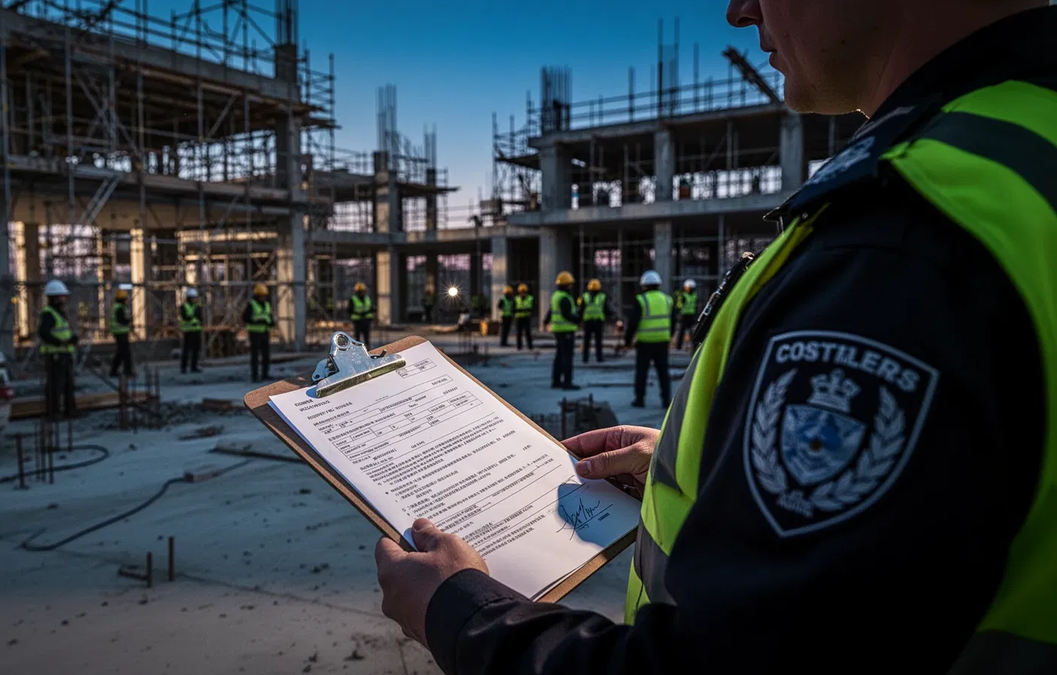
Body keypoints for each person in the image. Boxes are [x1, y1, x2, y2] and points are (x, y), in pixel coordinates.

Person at [374, 3, 1057, 671]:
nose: (739, 10)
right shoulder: (1027, 148)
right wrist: (703, 467)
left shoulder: (904, 245)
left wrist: (463, 612)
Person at [624, 270, 672, 409]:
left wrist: (628, 340)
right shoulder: (667, 299)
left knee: (642, 372)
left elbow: (633, 322)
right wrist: (669, 335)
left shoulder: (641, 300)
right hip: (662, 341)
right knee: (663, 372)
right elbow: (673, 320)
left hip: (645, 342)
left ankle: (640, 400)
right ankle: (666, 401)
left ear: (644, 285)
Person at [38, 279, 77, 420]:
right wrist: (60, 342)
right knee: (55, 385)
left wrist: (71, 339)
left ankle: (69, 411)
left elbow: (62, 331)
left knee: (68, 384)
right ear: (54, 298)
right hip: (55, 355)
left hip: (64, 353)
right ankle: (53, 412)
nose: (64, 299)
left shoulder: (59, 313)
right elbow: (44, 333)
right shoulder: (49, 313)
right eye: (61, 297)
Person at [543, 271, 580, 391]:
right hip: (566, 330)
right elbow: (567, 315)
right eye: (570, 284)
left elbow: (551, 311)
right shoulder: (564, 297)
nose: (571, 286)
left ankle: (556, 381)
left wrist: (545, 321)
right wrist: (578, 320)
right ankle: (567, 382)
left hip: (558, 330)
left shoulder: (555, 296)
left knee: (559, 355)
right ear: (566, 285)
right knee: (567, 357)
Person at [243, 283, 274, 383]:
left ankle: (265, 374)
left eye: (264, 296)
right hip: (254, 333)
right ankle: (255, 375)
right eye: (261, 296)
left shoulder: (267, 304)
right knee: (255, 356)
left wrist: (271, 323)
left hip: (265, 332)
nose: (263, 298)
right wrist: (258, 321)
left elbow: (269, 316)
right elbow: (245, 318)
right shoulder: (252, 304)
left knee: (266, 355)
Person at [579, 278, 610, 363]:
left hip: (589, 321)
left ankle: (585, 358)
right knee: (598, 341)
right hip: (597, 322)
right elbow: (606, 309)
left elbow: (581, 310)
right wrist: (613, 316)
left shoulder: (585, 296)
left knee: (587, 341)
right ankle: (598, 357)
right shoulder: (602, 296)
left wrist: (578, 320)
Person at [108, 287, 133, 379]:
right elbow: (121, 320)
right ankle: (127, 371)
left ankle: (113, 371)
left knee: (120, 352)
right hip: (120, 332)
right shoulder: (119, 308)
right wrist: (128, 321)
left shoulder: (119, 307)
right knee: (125, 352)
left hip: (120, 332)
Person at [179, 288, 203, 374]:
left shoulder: (197, 306)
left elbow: (200, 317)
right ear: (188, 298)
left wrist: (192, 317)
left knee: (196, 350)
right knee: (186, 350)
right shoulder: (184, 306)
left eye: (195, 297)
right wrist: (193, 317)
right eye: (193, 298)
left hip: (196, 330)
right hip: (188, 331)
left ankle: (194, 366)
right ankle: (183, 367)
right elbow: (185, 317)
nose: (195, 299)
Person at [673, 278, 698, 350]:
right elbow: (679, 305)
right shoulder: (683, 295)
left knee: (692, 332)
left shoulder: (694, 295)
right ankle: (678, 346)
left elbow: (696, 305)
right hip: (684, 315)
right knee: (681, 331)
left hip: (691, 315)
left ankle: (694, 346)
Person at [350, 281, 375, 346]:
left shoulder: (367, 298)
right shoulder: (353, 299)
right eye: (360, 291)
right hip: (358, 321)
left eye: (362, 291)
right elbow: (350, 310)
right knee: (357, 338)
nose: (361, 293)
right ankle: (358, 351)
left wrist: (370, 313)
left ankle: (368, 349)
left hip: (366, 320)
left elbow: (371, 308)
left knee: (366, 338)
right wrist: (359, 314)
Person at [513, 283, 534, 351]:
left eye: (524, 292)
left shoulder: (530, 298)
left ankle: (530, 346)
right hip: (519, 317)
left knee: (528, 332)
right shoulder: (516, 298)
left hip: (526, 317)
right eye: (521, 292)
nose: (523, 293)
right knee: (519, 333)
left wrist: (523, 310)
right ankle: (519, 346)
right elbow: (513, 308)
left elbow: (533, 308)